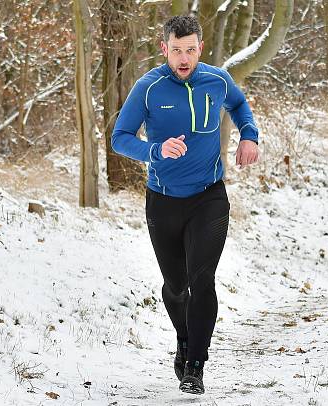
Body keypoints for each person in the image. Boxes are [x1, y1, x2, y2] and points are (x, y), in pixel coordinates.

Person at [111, 15, 260, 395]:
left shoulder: (217, 80)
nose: (183, 57)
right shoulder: (148, 88)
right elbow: (119, 138)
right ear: (164, 48)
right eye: (176, 50)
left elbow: (240, 105)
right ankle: (184, 337)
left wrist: (249, 136)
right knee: (176, 287)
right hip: (163, 201)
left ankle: (196, 363)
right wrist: (154, 150)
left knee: (202, 280)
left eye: (190, 50)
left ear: (200, 48)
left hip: (209, 196)